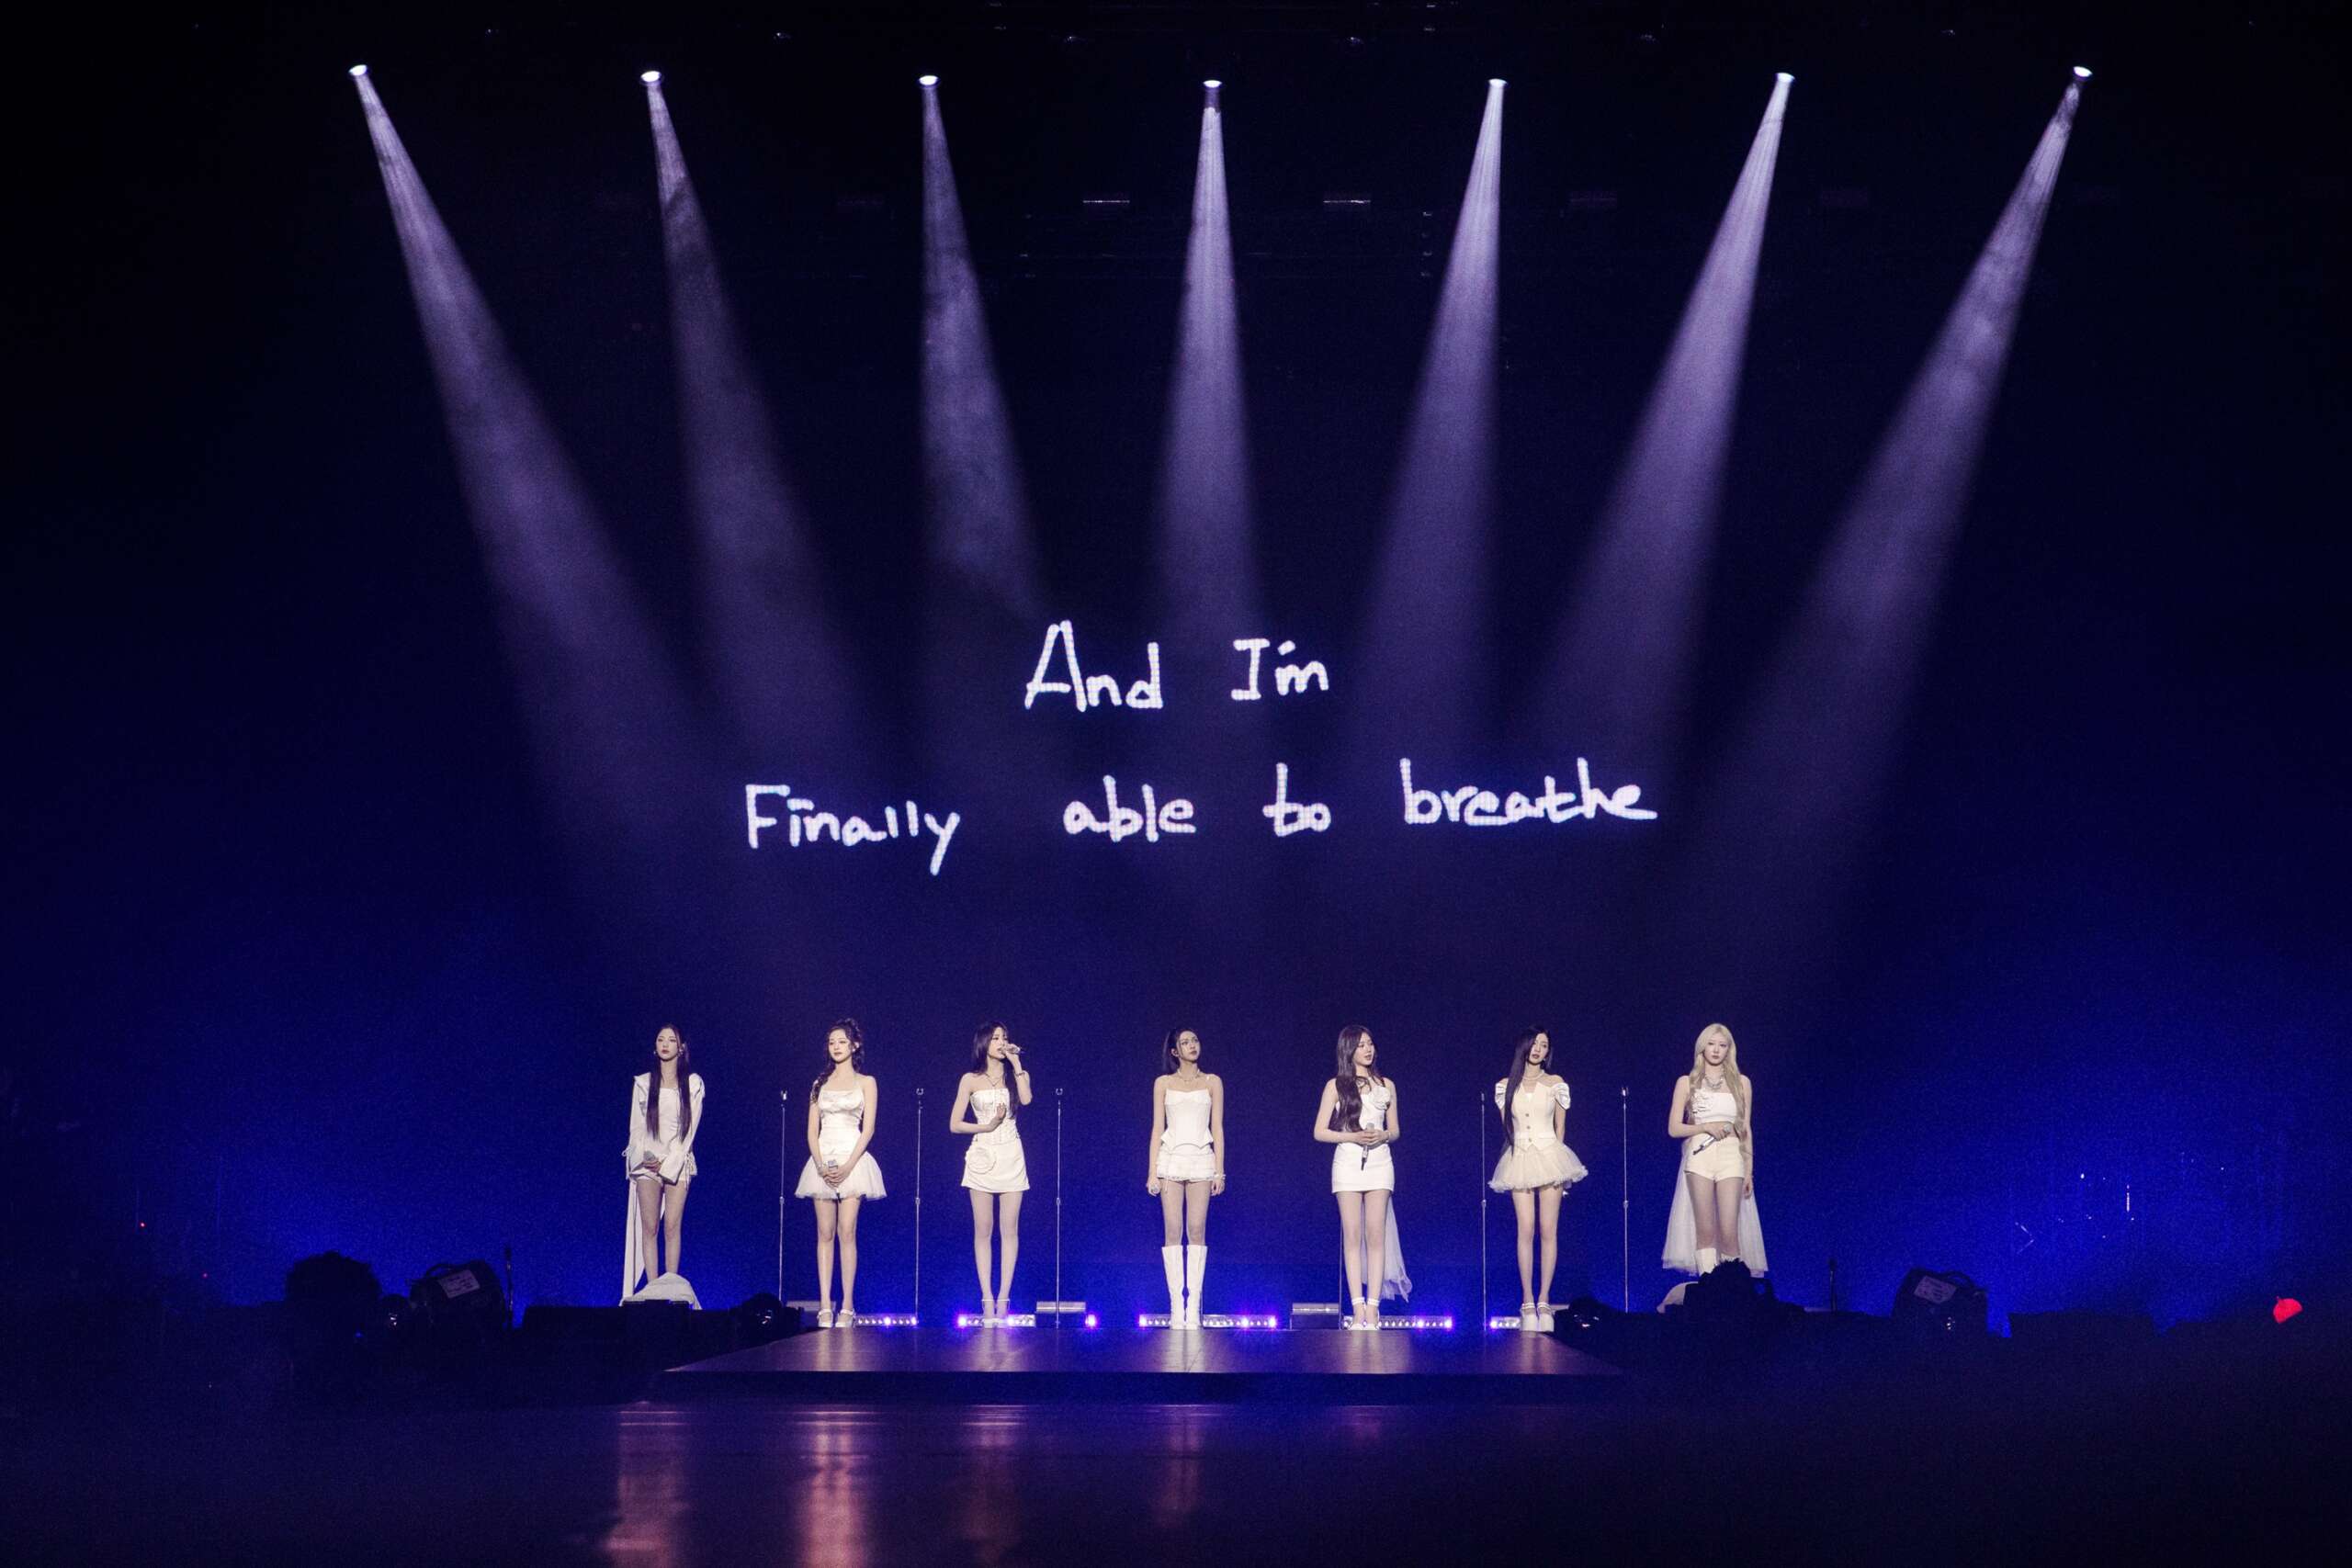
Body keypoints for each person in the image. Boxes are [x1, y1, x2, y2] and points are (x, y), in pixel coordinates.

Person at [1312, 1024, 1409, 1328]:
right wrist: (1352, 1137)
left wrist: (1383, 1134)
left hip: (1380, 1163)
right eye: (1361, 1045)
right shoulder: (1336, 1086)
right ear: (1349, 1050)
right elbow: (1319, 1131)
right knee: (1352, 1235)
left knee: (1375, 1235)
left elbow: (1395, 1130)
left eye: (1370, 1044)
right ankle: (1357, 1309)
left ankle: (1373, 1308)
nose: (1368, 1049)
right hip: (1348, 1164)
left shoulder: (1386, 1085)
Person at [1490, 1027, 1589, 1325]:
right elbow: (1507, 1127)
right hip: (1520, 1155)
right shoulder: (1505, 1086)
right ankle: (1527, 1301)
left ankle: (1544, 1300)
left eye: (1544, 1045)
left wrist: (1560, 1169)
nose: (1538, 1049)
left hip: (1549, 1155)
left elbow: (1560, 1127)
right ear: (1524, 1046)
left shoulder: (1555, 1083)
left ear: (1548, 1052)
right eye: (1534, 1044)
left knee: (1548, 1229)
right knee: (1526, 1228)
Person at [793, 1019, 884, 1327]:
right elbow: (811, 1130)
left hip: (852, 1159)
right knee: (824, 1232)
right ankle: (824, 1305)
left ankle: (847, 1305)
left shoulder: (867, 1082)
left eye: (842, 1041)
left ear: (855, 1045)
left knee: (847, 1231)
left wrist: (848, 1165)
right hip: (823, 1158)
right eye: (832, 1042)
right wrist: (820, 1165)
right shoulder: (819, 1083)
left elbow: (868, 1129)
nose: (836, 1047)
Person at [1664, 1022, 1767, 1277]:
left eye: (1722, 1045)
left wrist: (1749, 1170)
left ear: (1729, 1050)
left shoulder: (1741, 1083)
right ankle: (1708, 1287)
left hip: (1731, 1154)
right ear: (1702, 1047)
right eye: (1711, 1044)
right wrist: (1706, 1127)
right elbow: (1674, 1128)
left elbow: (1746, 1128)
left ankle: (1730, 1290)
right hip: (1700, 1154)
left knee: (1729, 1231)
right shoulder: (1686, 1082)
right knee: (1705, 1230)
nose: (1716, 1050)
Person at [950, 1022, 1032, 1321]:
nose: (1001, 1042)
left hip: (1011, 1153)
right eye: (995, 1038)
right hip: (983, 1154)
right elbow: (954, 1124)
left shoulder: (1017, 1075)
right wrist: (986, 1126)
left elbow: (1027, 1100)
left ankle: (1004, 1299)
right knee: (983, 1229)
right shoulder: (970, 1079)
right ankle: (986, 1298)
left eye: (1004, 1038)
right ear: (984, 1042)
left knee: (1009, 1230)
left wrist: (1016, 1063)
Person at [1146, 1028, 1226, 1328]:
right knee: (1173, 1229)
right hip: (1170, 1159)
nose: (1192, 1045)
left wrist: (1219, 1169)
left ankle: (1193, 1307)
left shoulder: (1212, 1082)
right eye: (1185, 1042)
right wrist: (1152, 1171)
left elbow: (1218, 1128)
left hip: (1201, 1159)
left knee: (1196, 1229)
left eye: (1195, 1040)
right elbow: (1157, 1127)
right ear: (1174, 1051)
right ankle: (1175, 1306)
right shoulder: (1163, 1083)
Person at [623, 1026, 705, 1302]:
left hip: (677, 1162)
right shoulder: (644, 1083)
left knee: (672, 1226)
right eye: (660, 1039)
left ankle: (670, 1288)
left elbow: (689, 1131)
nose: (665, 1044)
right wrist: (647, 1157)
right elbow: (636, 1129)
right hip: (648, 1163)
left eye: (671, 1040)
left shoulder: (692, 1083)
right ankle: (652, 1290)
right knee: (649, 1228)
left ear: (681, 1047)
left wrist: (669, 1162)